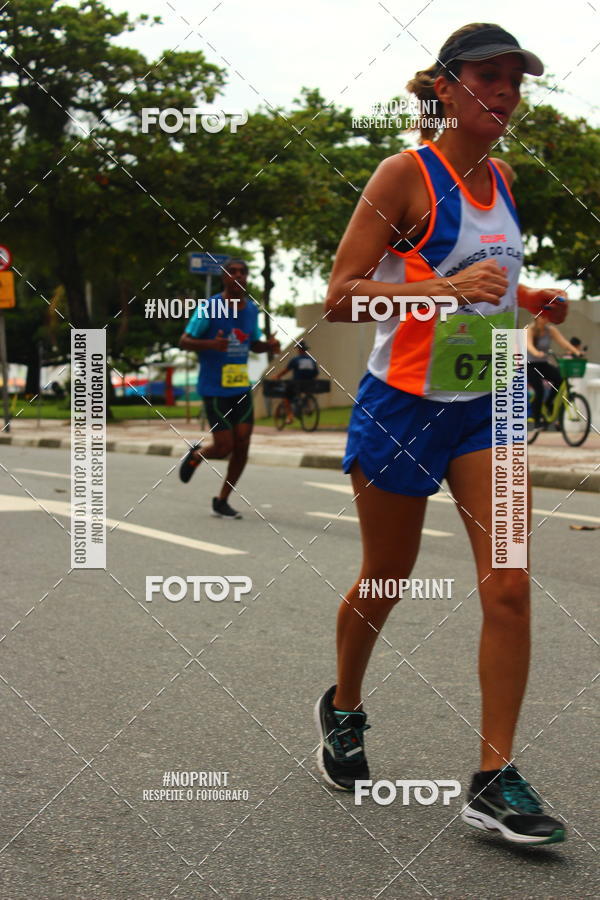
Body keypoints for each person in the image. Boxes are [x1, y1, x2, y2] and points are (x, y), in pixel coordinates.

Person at [315, 23, 568, 845]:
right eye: (489, 78)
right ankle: (345, 705)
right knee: (387, 575)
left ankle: (495, 778)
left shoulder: (504, 179)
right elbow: (344, 296)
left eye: (515, 82)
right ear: (448, 86)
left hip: (486, 406)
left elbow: (489, 284)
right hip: (401, 405)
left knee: (510, 584)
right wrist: (445, 290)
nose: (505, 93)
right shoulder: (403, 176)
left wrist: (529, 303)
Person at [178, 259, 280, 518]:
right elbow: (184, 341)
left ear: (247, 278)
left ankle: (222, 499)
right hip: (214, 389)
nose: (237, 276)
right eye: (231, 272)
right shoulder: (209, 307)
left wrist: (267, 346)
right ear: (223, 278)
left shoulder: (251, 310)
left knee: (243, 444)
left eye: (242, 272)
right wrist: (212, 344)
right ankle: (197, 455)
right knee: (224, 447)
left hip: (240, 387)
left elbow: (252, 343)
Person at [527, 313, 583, 424]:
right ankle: (536, 417)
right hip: (530, 364)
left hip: (543, 363)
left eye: (547, 316)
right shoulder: (531, 329)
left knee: (560, 378)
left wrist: (576, 352)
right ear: (537, 317)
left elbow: (564, 343)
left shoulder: (551, 330)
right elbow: (528, 345)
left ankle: (548, 403)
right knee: (539, 390)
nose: (546, 319)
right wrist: (536, 353)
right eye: (543, 316)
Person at [275, 339, 319, 424]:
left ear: (299, 349)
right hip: (309, 384)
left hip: (297, 384)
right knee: (305, 392)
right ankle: (307, 407)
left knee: (286, 396)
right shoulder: (311, 360)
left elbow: (285, 371)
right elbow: (316, 373)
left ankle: (290, 416)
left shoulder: (296, 359)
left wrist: (277, 376)